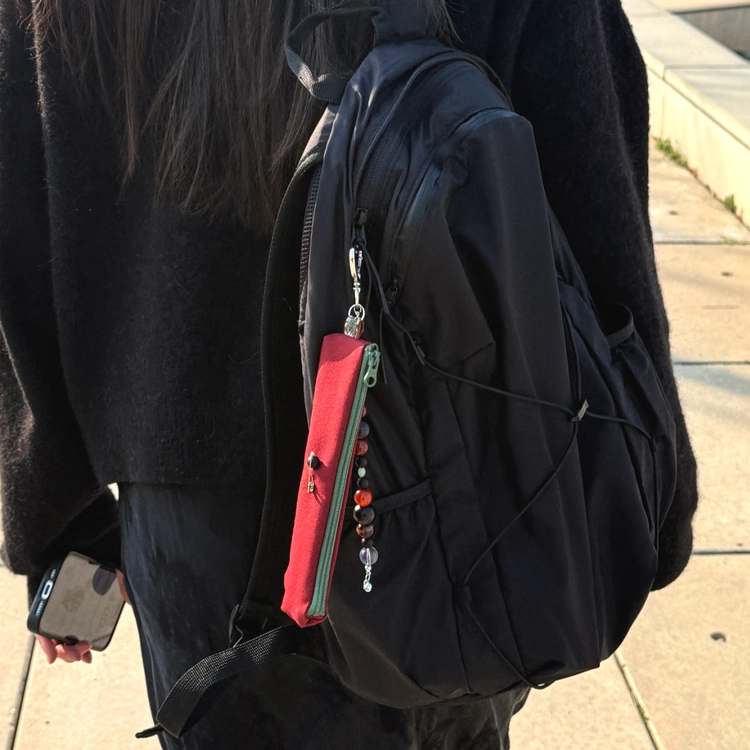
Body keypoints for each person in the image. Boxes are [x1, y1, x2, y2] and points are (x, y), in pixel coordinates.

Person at [0, 0, 697, 747]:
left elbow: (22, 207)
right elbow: (592, 182)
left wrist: (56, 522)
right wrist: (653, 490)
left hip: (188, 508)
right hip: (446, 472)